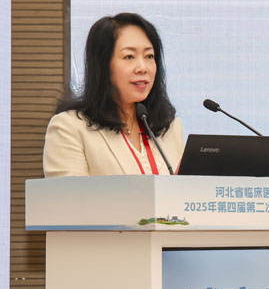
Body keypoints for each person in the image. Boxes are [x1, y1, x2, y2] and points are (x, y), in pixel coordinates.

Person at [43, 13, 184, 177]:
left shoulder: (170, 128)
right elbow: (69, 193)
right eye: (129, 56)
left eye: (149, 56)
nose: (142, 68)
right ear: (103, 65)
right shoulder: (69, 128)